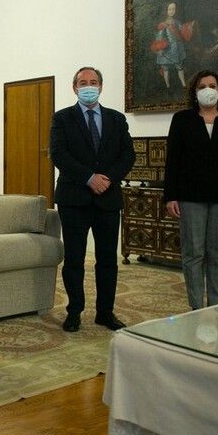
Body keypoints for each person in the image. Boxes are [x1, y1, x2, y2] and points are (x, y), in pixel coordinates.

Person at [50, 67, 136, 333]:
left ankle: (105, 312)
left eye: (94, 82)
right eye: (83, 82)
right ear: (74, 88)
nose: (89, 86)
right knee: (74, 259)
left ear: (101, 86)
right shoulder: (62, 118)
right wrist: (89, 178)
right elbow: (59, 154)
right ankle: (74, 311)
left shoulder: (116, 119)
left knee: (107, 259)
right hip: (74, 199)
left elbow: (128, 155)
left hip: (107, 199)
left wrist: (107, 178)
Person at [163, 69, 218, 310]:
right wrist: (171, 196)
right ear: (194, 92)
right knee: (193, 254)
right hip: (190, 197)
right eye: (202, 86)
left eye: (212, 86)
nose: (207, 90)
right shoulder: (182, 119)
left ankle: (215, 306)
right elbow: (173, 161)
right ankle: (196, 308)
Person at [150, 2, 195, 91]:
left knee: (180, 67)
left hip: (177, 48)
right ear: (166, 10)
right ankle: (167, 86)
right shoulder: (162, 24)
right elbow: (159, 37)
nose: (171, 11)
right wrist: (160, 48)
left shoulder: (177, 22)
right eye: (169, 9)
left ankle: (183, 84)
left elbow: (183, 31)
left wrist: (189, 26)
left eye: (173, 9)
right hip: (167, 49)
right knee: (166, 69)